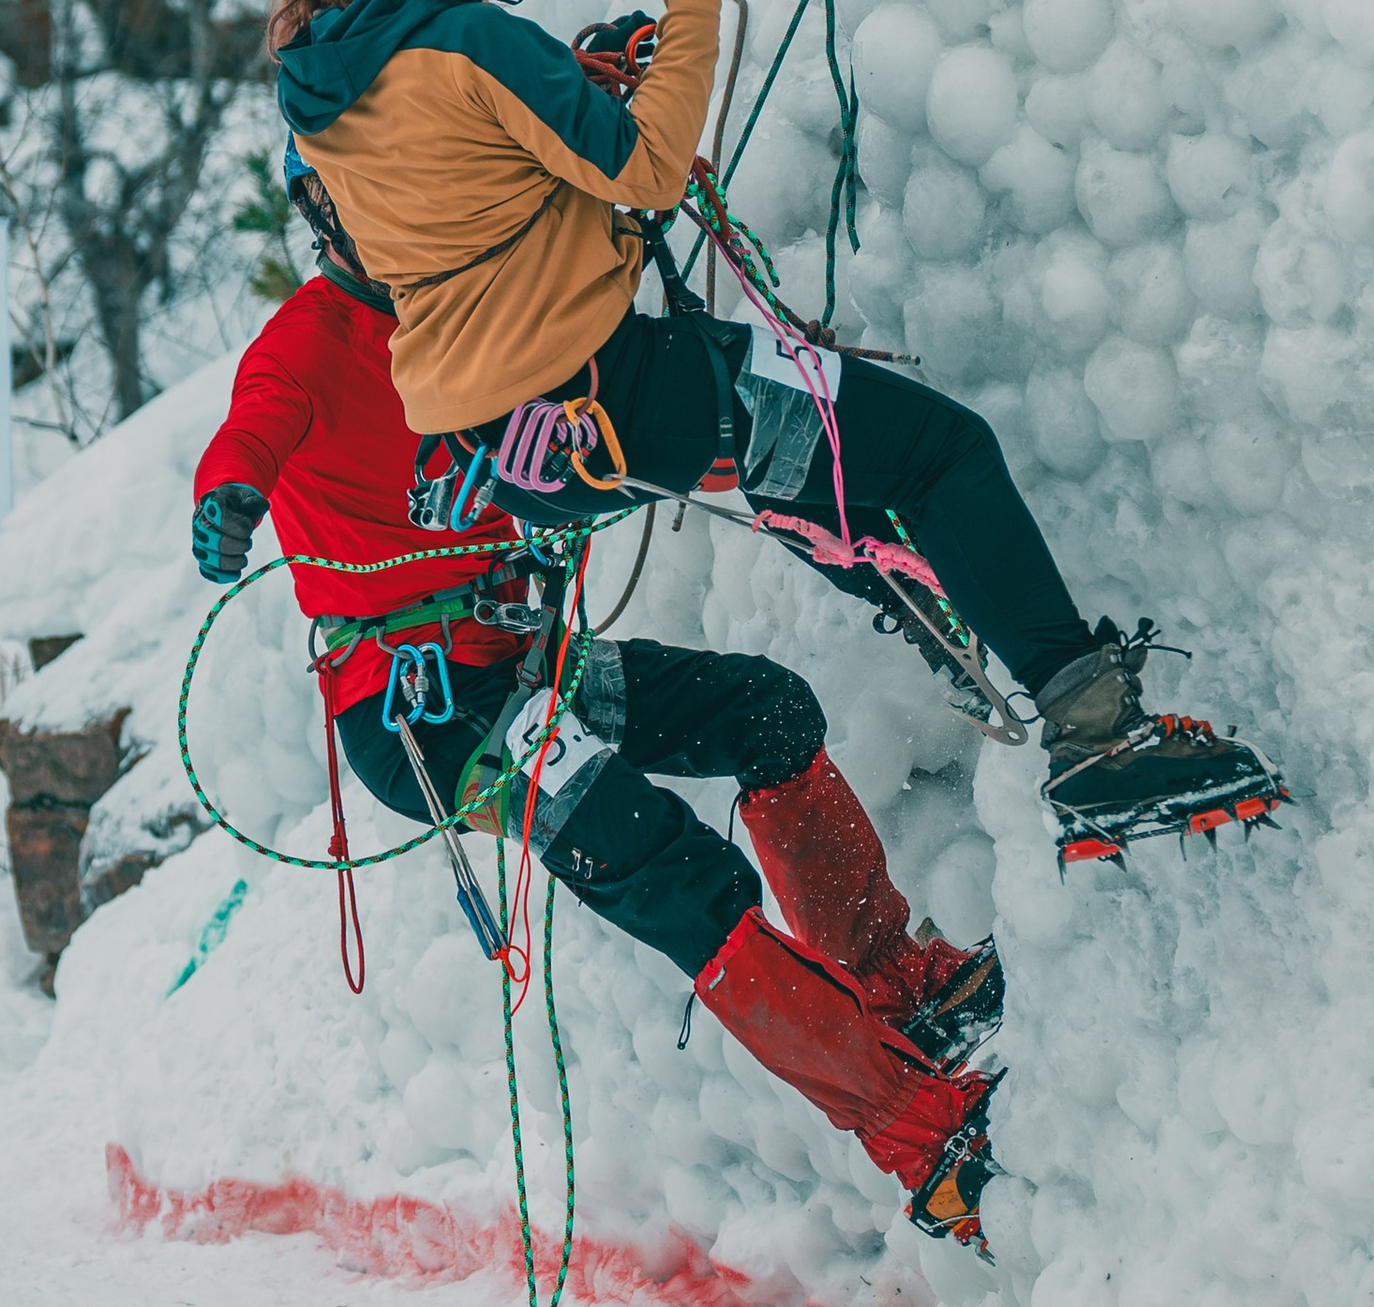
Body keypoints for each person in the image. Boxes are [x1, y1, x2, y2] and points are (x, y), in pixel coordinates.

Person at [269, 0, 1288, 867]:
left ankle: (905, 575)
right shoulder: (472, 44)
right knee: (942, 454)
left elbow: (451, 180)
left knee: (819, 452)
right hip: (616, 394)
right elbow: (651, 170)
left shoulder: (320, 79)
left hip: (507, 449)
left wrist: (567, 81)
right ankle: (1100, 745)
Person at [188, 151, 1007, 1245]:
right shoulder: (306, 343)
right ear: (319, 212)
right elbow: (251, 429)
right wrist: (232, 493)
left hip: (525, 667)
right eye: (358, 196)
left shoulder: (467, 309)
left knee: (767, 713)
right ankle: (918, 1133)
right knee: (678, 874)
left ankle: (894, 980)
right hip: (425, 715)